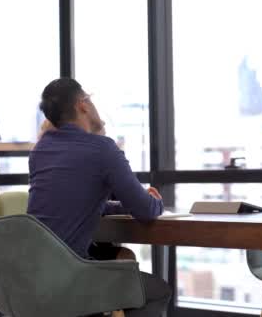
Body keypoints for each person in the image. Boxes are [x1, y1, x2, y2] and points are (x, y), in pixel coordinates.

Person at [28, 78, 170, 317]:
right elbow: (145, 211)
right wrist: (156, 201)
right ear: (83, 104)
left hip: (34, 275)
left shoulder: (40, 151)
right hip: (72, 276)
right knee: (157, 290)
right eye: (90, 99)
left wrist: (117, 206)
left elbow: (78, 201)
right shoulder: (102, 149)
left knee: (123, 259)